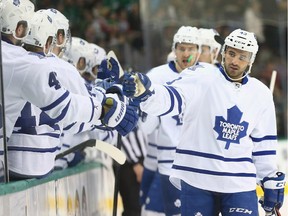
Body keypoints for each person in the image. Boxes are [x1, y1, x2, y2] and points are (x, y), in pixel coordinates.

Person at [122, 29, 286, 215]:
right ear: (223, 52)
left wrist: (269, 179)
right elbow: (170, 98)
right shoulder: (200, 76)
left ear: (251, 60)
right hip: (197, 178)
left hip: (239, 183)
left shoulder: (261, 93)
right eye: (231, 53)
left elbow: (263, 145)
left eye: (242, 57)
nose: (234, 61)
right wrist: (147, 93)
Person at [1, 1, 137, 179]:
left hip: (12, 159)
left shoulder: (20, 59)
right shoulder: (31, 64)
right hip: (38, 162)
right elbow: (68, 112)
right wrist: (105, 105)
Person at [139, 26, 202, 216]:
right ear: (174, 50)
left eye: (191, 49)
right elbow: (146, 127)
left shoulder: (208, 76)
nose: (186, 53)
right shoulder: (156, 77)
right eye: (182, 48)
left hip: (201, 163)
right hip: (170, 162)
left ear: (198, 51)